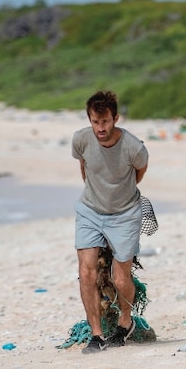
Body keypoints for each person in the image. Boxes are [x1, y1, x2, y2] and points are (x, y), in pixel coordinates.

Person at [72, 90, 149, 354]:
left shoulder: (133, 147)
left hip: (125, 213)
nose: (100, 128)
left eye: (105, 122)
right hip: (90, 211)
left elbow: (140, 170)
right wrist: (98, 194)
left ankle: (124, 322)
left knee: (119, 277)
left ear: (115, 118)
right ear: (89, 119)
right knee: (86, 272)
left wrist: (120, 193)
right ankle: (96, 334)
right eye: (95, 122)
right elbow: (84, 166)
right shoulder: (81, 139)